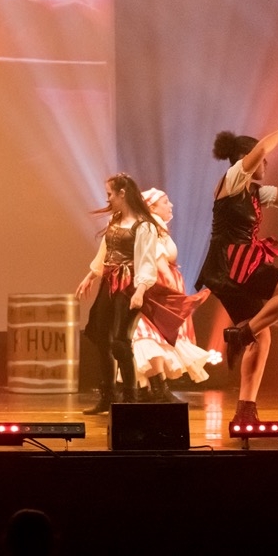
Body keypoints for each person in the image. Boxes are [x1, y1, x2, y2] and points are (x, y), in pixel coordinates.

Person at [195, 123, 278, 428]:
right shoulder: (233, 179)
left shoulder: (256, 191)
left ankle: (245, 409)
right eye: (263, 160)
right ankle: (241, 334)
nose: (266, 163)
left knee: (262, 336)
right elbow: (261, 149)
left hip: (236, 267)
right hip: (231, 264)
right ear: (247, 158)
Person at [76, 174, 201, 414]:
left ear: (122, 194)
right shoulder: (115, 219)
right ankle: (108, 396)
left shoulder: (144, 225)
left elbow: (146, 261)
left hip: (129, 286)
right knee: (101, 337)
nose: (108, 199)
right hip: (110, 282)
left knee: (121, 341)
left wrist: (140, 290)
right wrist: (90, 276)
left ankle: (130, 398)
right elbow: (105, 252)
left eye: (110, 194)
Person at [129, 188, 212, 402]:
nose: (171, 205)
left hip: (159, 284)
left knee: (152, 335)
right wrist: (173, 290)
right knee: (151, 334)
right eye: (165, 201)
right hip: (158, 287)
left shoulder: (156, 225)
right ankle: (156, 389)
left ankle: (149, 389)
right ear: (152, 207)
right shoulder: (152, 225)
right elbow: (157, 258)